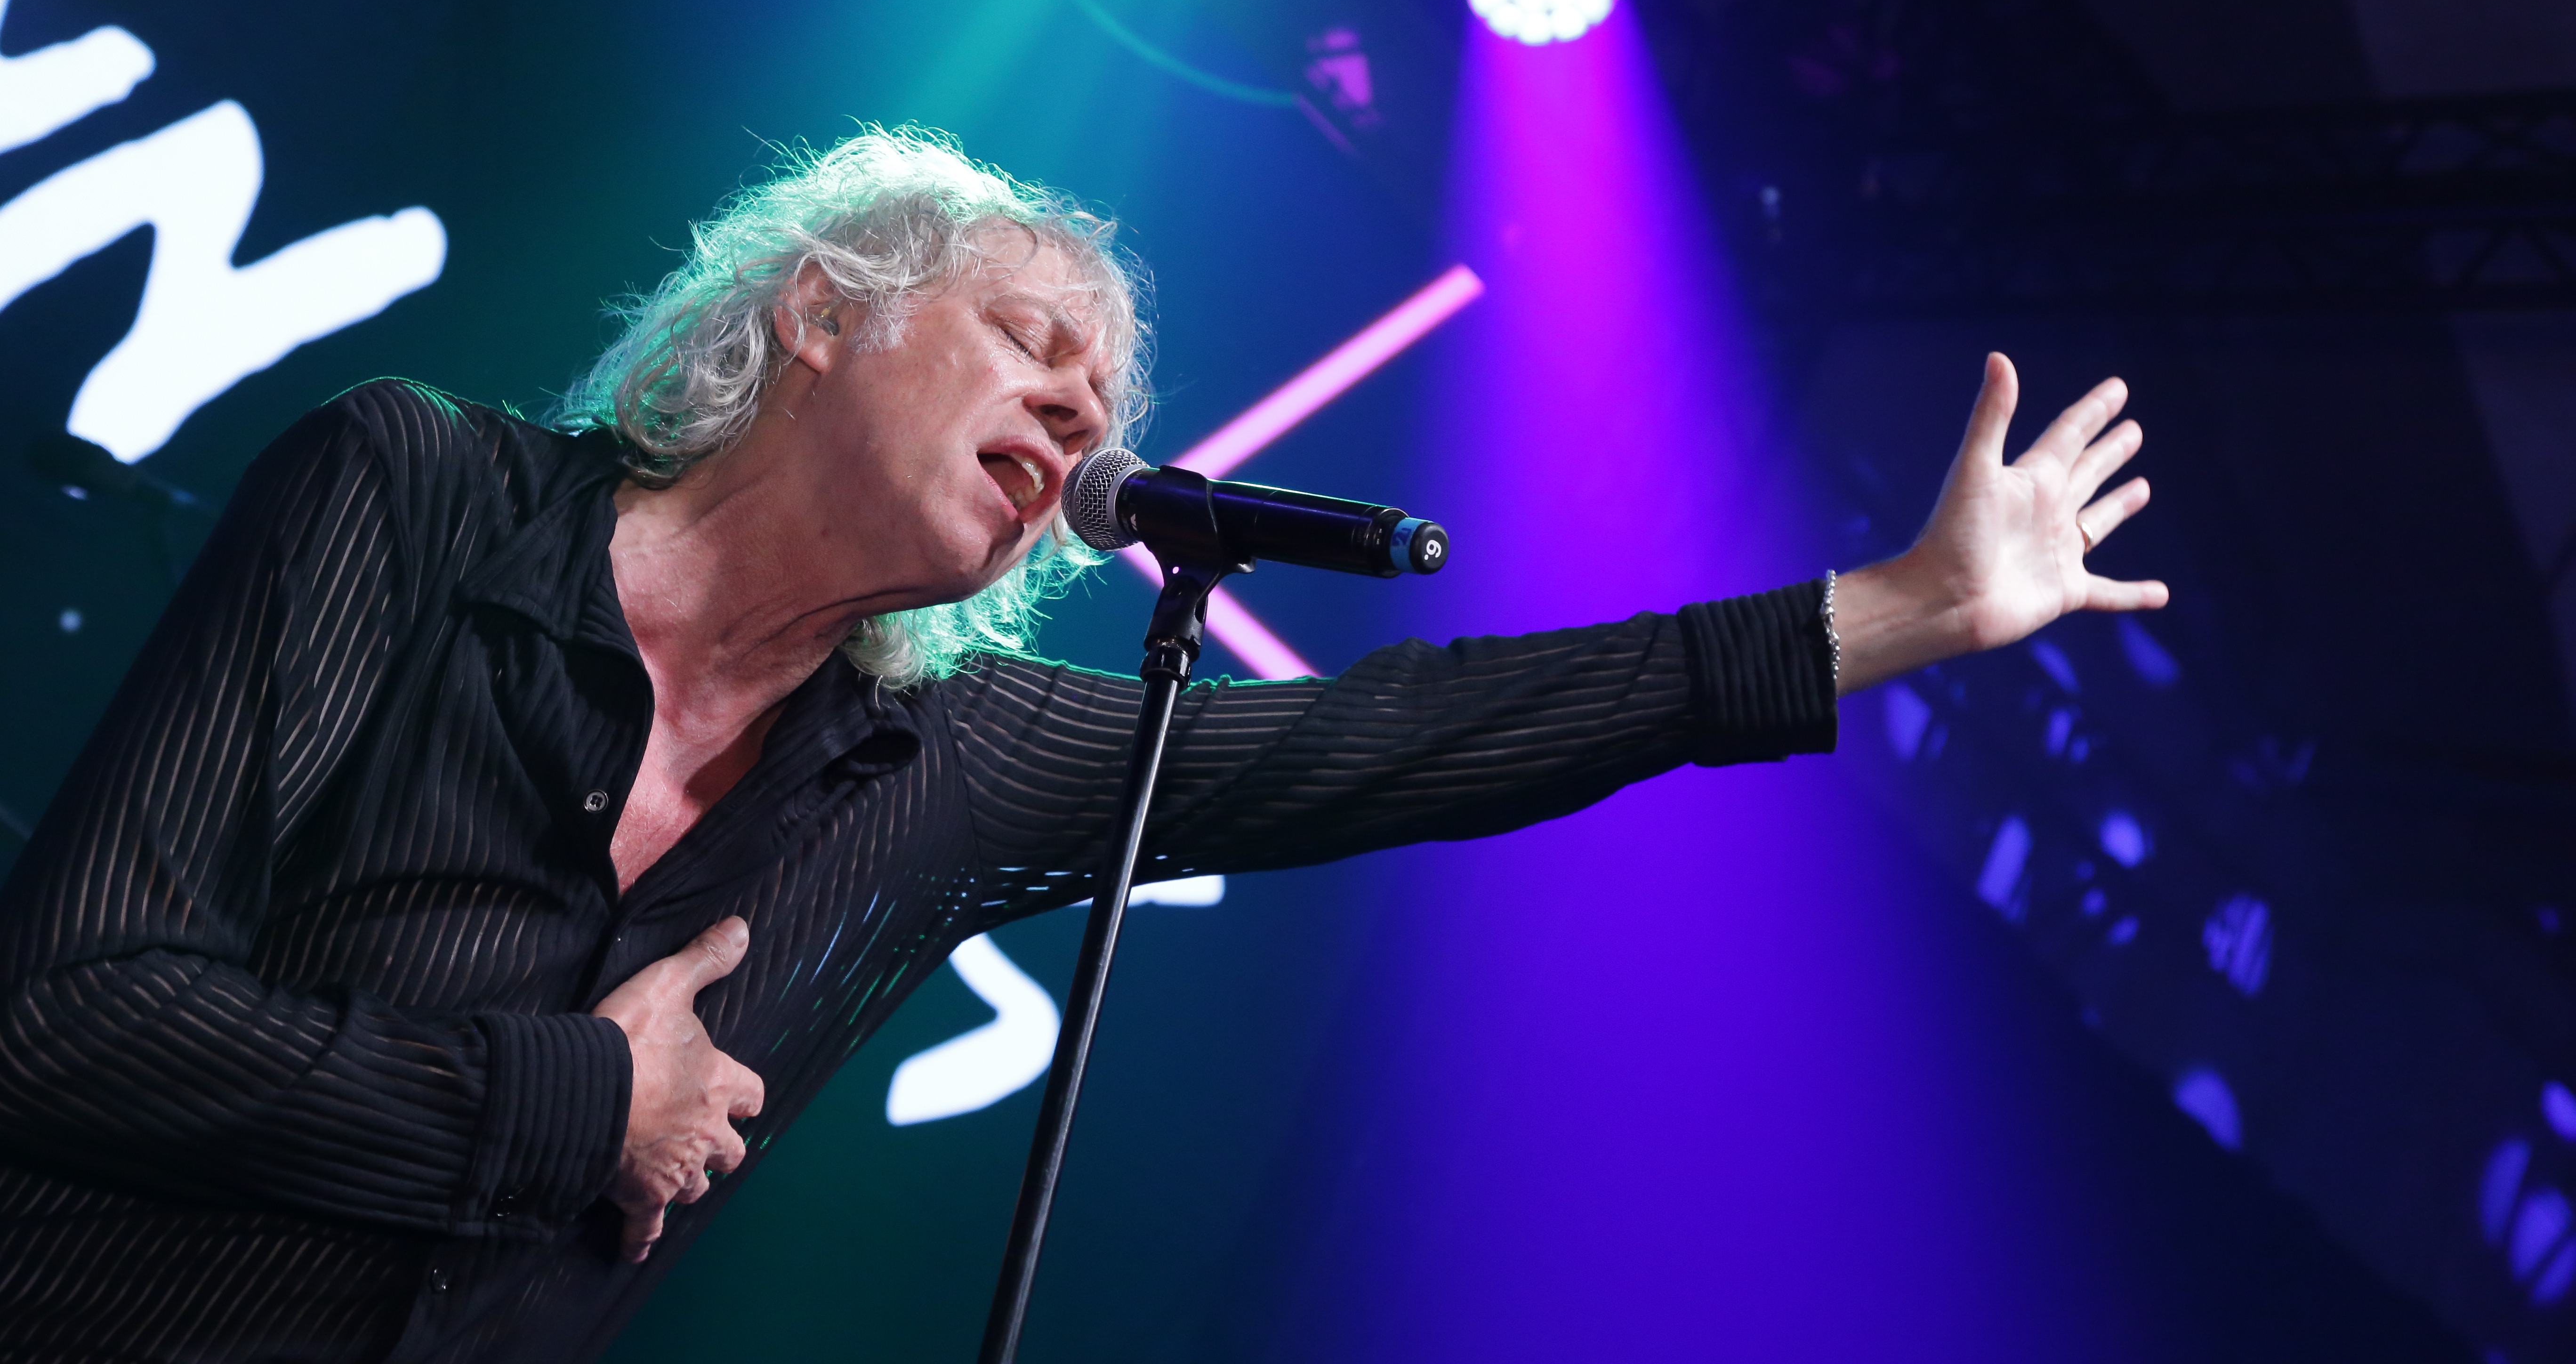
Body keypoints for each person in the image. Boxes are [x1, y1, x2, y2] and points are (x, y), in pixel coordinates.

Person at [0, 129, 2163, 1362]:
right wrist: (580, 1100)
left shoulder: (946, 760)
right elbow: (61, 1022)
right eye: (1031, 341)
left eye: (1106, 405)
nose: (1078, 416)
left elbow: (1409, 734)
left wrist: (1900, 614)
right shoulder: (410, 492)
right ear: (820, 310)